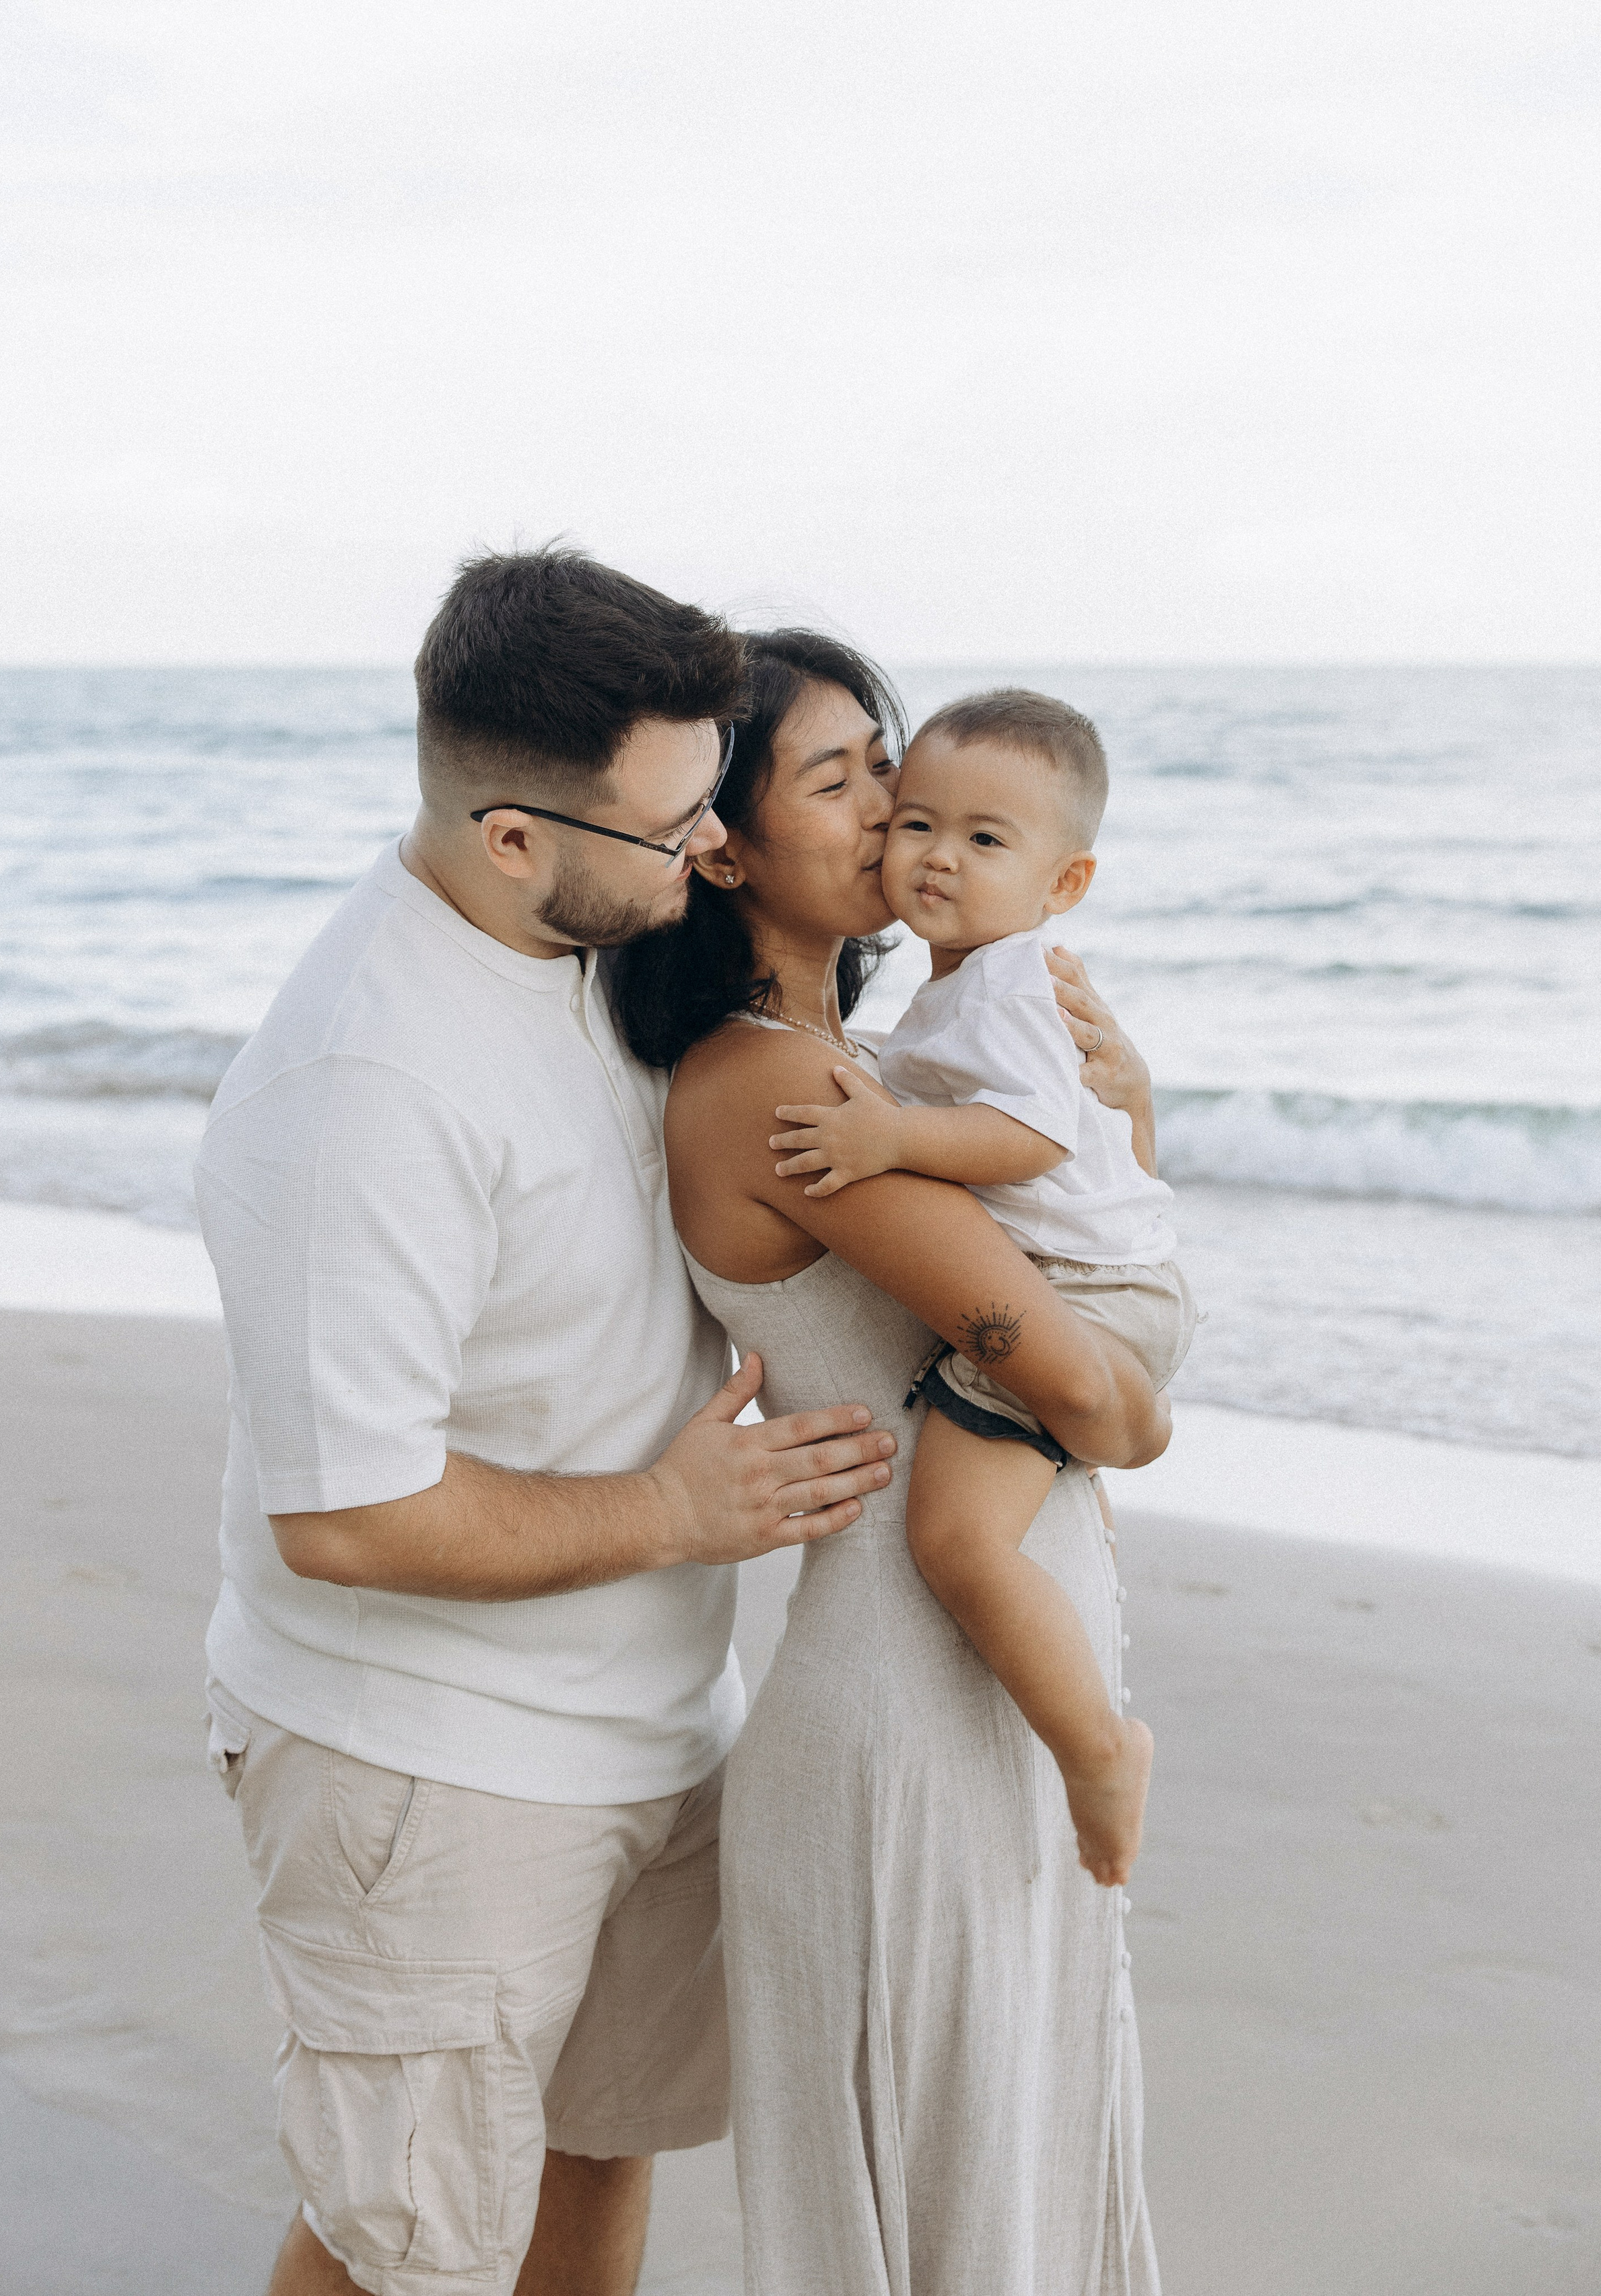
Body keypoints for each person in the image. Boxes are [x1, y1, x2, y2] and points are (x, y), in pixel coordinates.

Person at [194, 550, 901, 2296]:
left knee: (598, 2148)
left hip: (652, 1725)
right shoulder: (365, 1083)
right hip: (430, 1773)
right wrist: (676, 1514)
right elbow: (345, 1514)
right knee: (408, 2248)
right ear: (512, 833)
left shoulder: (601, 945)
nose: (708, 846)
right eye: (671, 825)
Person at [612, 632, 1169, 2293]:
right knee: (951, 2208)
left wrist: (1130, 1119)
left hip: (982, 1683)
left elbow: (1082, 1246)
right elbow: (1084, 1388)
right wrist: (1138, 1415)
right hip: (904, 1715)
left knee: (1012, 2181)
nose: (891, 808)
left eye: (888, 762)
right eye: (838, 777)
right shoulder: (773, 1085)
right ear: (723, 845)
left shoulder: (884, 1063)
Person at [762, 687, 1196, 1889]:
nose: (937, 854)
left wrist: (893, 1138)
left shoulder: (1008, 985)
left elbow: (1032, 1138)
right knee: (1009, 1503)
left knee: (956, 1537)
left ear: (1066, 882)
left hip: (1088, 1291)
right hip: (1109, 1280)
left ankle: (1099, 1748)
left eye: (985, 839)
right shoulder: (970, 987)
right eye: (918, 822)